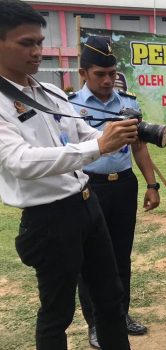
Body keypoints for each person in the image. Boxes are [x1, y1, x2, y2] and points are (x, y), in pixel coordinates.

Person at [0, 1, 138, 348]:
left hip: (86, 205)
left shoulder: (50, 92)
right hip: (49, 219)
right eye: (26, 43)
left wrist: (110, 135)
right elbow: (20, 161)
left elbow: (78, 134)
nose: (37, 52)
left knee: (110, 297)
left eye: (39, 42)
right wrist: (97, 148)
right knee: (56, 314)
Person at [69, 36, 160, 348]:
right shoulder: (70, 107)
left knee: (121, 255)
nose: (108, 81)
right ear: (83, 74)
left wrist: (151, 185)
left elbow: (140, 149)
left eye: (111, 73)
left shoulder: (128, 104)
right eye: (99, 74)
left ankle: (120, 314)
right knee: (89, 260)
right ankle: (95, 323)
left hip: (122, 185)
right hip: (87, 188)